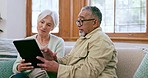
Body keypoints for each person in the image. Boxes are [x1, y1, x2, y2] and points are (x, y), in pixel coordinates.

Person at [36, 6, 118, 78]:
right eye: (78, 21)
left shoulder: (101, 40)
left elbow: (89, 73)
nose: (78, 25)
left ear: (94, 22)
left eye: (82, 21)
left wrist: (58, 68)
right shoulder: (84, 38)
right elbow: (69, 60)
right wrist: (55, 59)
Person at [10, 10, 65, 78]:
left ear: (52, 28)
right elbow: (16, 67)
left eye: (48, 25)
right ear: (37, 22)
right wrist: (19, 67)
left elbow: (59, 67)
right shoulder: (27, 41)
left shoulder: (58, 42)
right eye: (42, 22)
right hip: (27, 76)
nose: (44, 26)